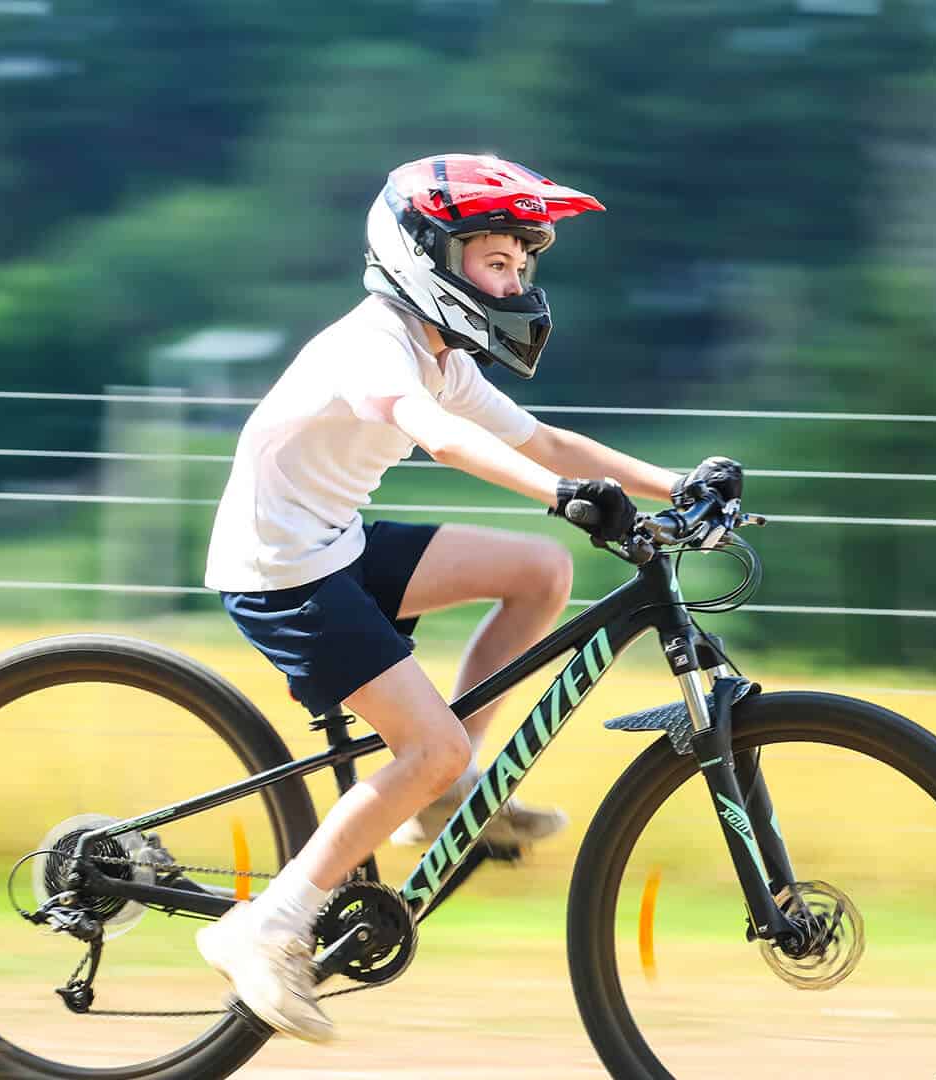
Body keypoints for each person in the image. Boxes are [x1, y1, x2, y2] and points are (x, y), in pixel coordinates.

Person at [196, 153, 742, 1042]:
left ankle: (445, 793)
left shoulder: (438, 350)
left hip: (334, 541)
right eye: (497, 261)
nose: (516, 280)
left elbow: (546, 439)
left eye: (523, 265)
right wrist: (557, 498)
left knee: (541, 574)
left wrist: (672, 483)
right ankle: (270, 925)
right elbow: (438, 436)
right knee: (430, 745)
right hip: (282, 569)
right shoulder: (375, 344)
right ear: (428, 257)